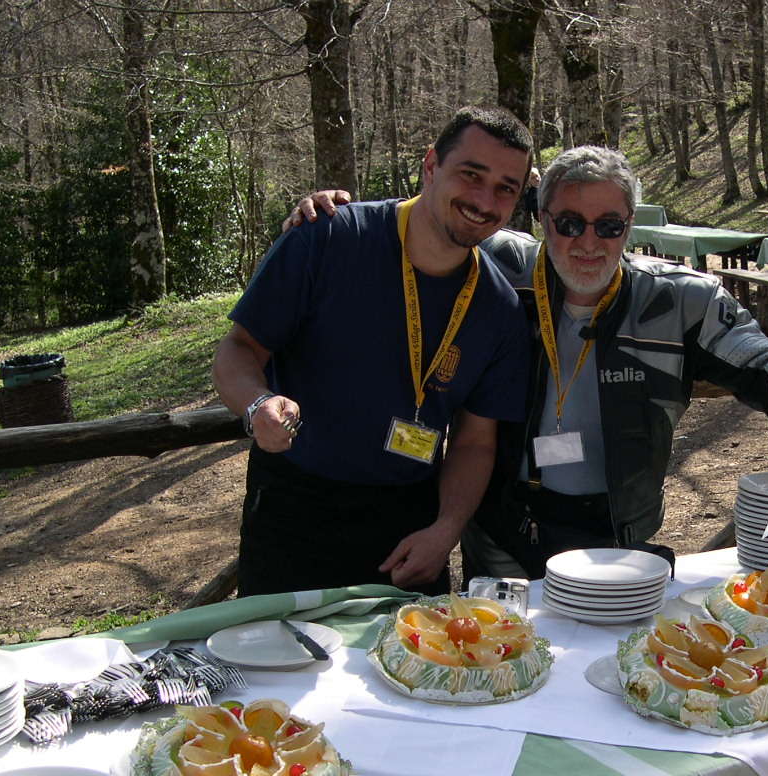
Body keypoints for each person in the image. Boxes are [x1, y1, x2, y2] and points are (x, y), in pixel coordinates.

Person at [288, 147, 768, 580]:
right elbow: (422, 229)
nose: (588, 242)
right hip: (503, 532)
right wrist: (335, 218)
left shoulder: (680, 301)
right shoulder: (497, 270)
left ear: (630, 224)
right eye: (569, 223)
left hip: (618, 537)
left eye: (609, 226)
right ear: (542, 218)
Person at [212, 106, 534, 597]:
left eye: (505, 188)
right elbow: (239, 348)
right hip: (295, 506)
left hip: (409, 525)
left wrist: (445, 530)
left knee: (411, 649)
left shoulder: (498, 307)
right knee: (278, 650)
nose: (484, 200)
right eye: (471, 175)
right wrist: (258, 404)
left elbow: (474, 442)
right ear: (431, 166)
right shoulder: (328, 236)